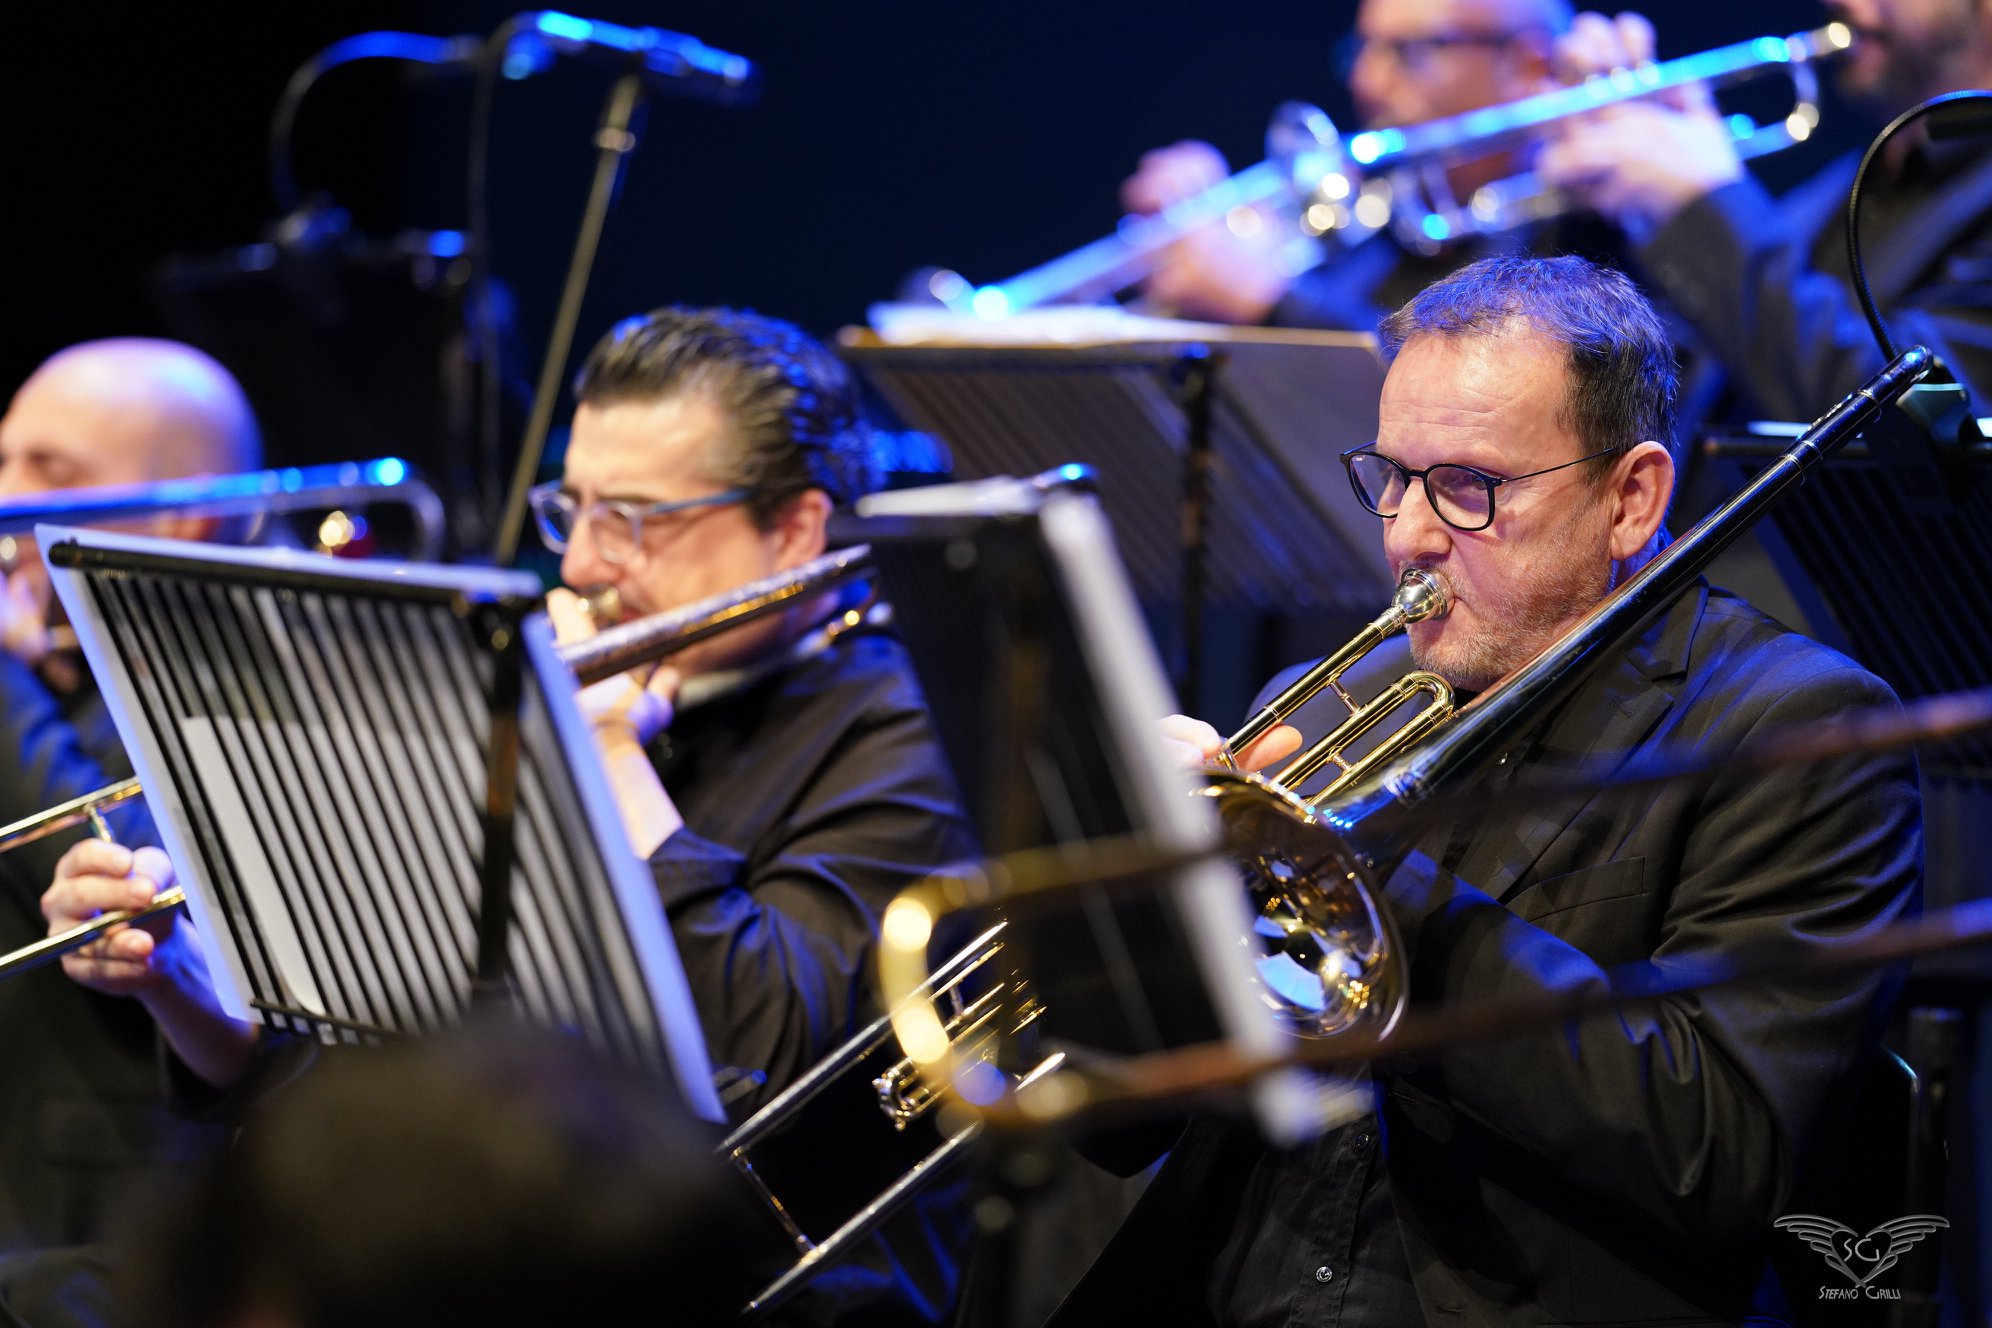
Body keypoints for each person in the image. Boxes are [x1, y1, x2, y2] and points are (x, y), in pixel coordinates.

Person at [42, 308, 978, 1326]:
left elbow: (762, 1066)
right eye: (570, 508)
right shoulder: (585, 684)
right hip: (475, 1251)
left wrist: (609, 759)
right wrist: (189, 994)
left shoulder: (914, 733)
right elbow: (390, 1052)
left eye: (633, 517)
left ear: (795, 530)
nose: (578, 564)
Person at [1052, 255, 1922, 1322]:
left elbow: (1720, 1154)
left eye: (1469, 487)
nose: (1409, 531)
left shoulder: (1795, 730)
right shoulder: (1316, 709)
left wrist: (1358, 889)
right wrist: (1122, 912)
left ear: (1629, 496)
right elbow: (1121, 1129)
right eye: (1390, 476)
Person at [0, 339, 259, 1256]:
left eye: (50, 470)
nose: (6, 495)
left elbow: (154, 883)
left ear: (184, 519)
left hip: (114, 1242)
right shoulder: (50, 672)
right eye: (5, 460)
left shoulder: (263, 690)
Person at [1537, 0, 1992, 421]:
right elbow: (1673, 382)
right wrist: (1622, 196)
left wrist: (1703, 204)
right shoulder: (1842, 188)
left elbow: (1923, 417)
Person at [1118, 0, 1609, 331]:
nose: (1364, 80)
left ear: (1529, 66)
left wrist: (1273, 304)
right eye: (1363, 50)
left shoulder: (1601, 239)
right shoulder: (1371, 220)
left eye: (1409, 52)